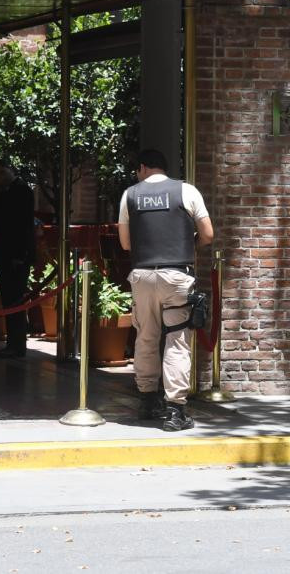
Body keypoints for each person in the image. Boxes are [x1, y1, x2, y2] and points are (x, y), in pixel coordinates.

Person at [118, 148, 214, 432]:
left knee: (145, 337)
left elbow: (125, 243)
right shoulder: (187, 191)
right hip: (176, 275)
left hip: (143, 275)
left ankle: (147, 400)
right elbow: (208, 235)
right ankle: (175, 411)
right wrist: (187, 244)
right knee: (177, 341)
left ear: (144, 168)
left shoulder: (130, 195)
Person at [0, 160, 37, 359]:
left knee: (15, 299)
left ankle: (17, 344)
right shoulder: (3, 192)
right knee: (8, 299)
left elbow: (21, 226)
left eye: (2, 172)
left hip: (16, 255)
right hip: (5, 254)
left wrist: (20, 255)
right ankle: (13, 343)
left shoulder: (22, 190)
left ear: (10, 170)